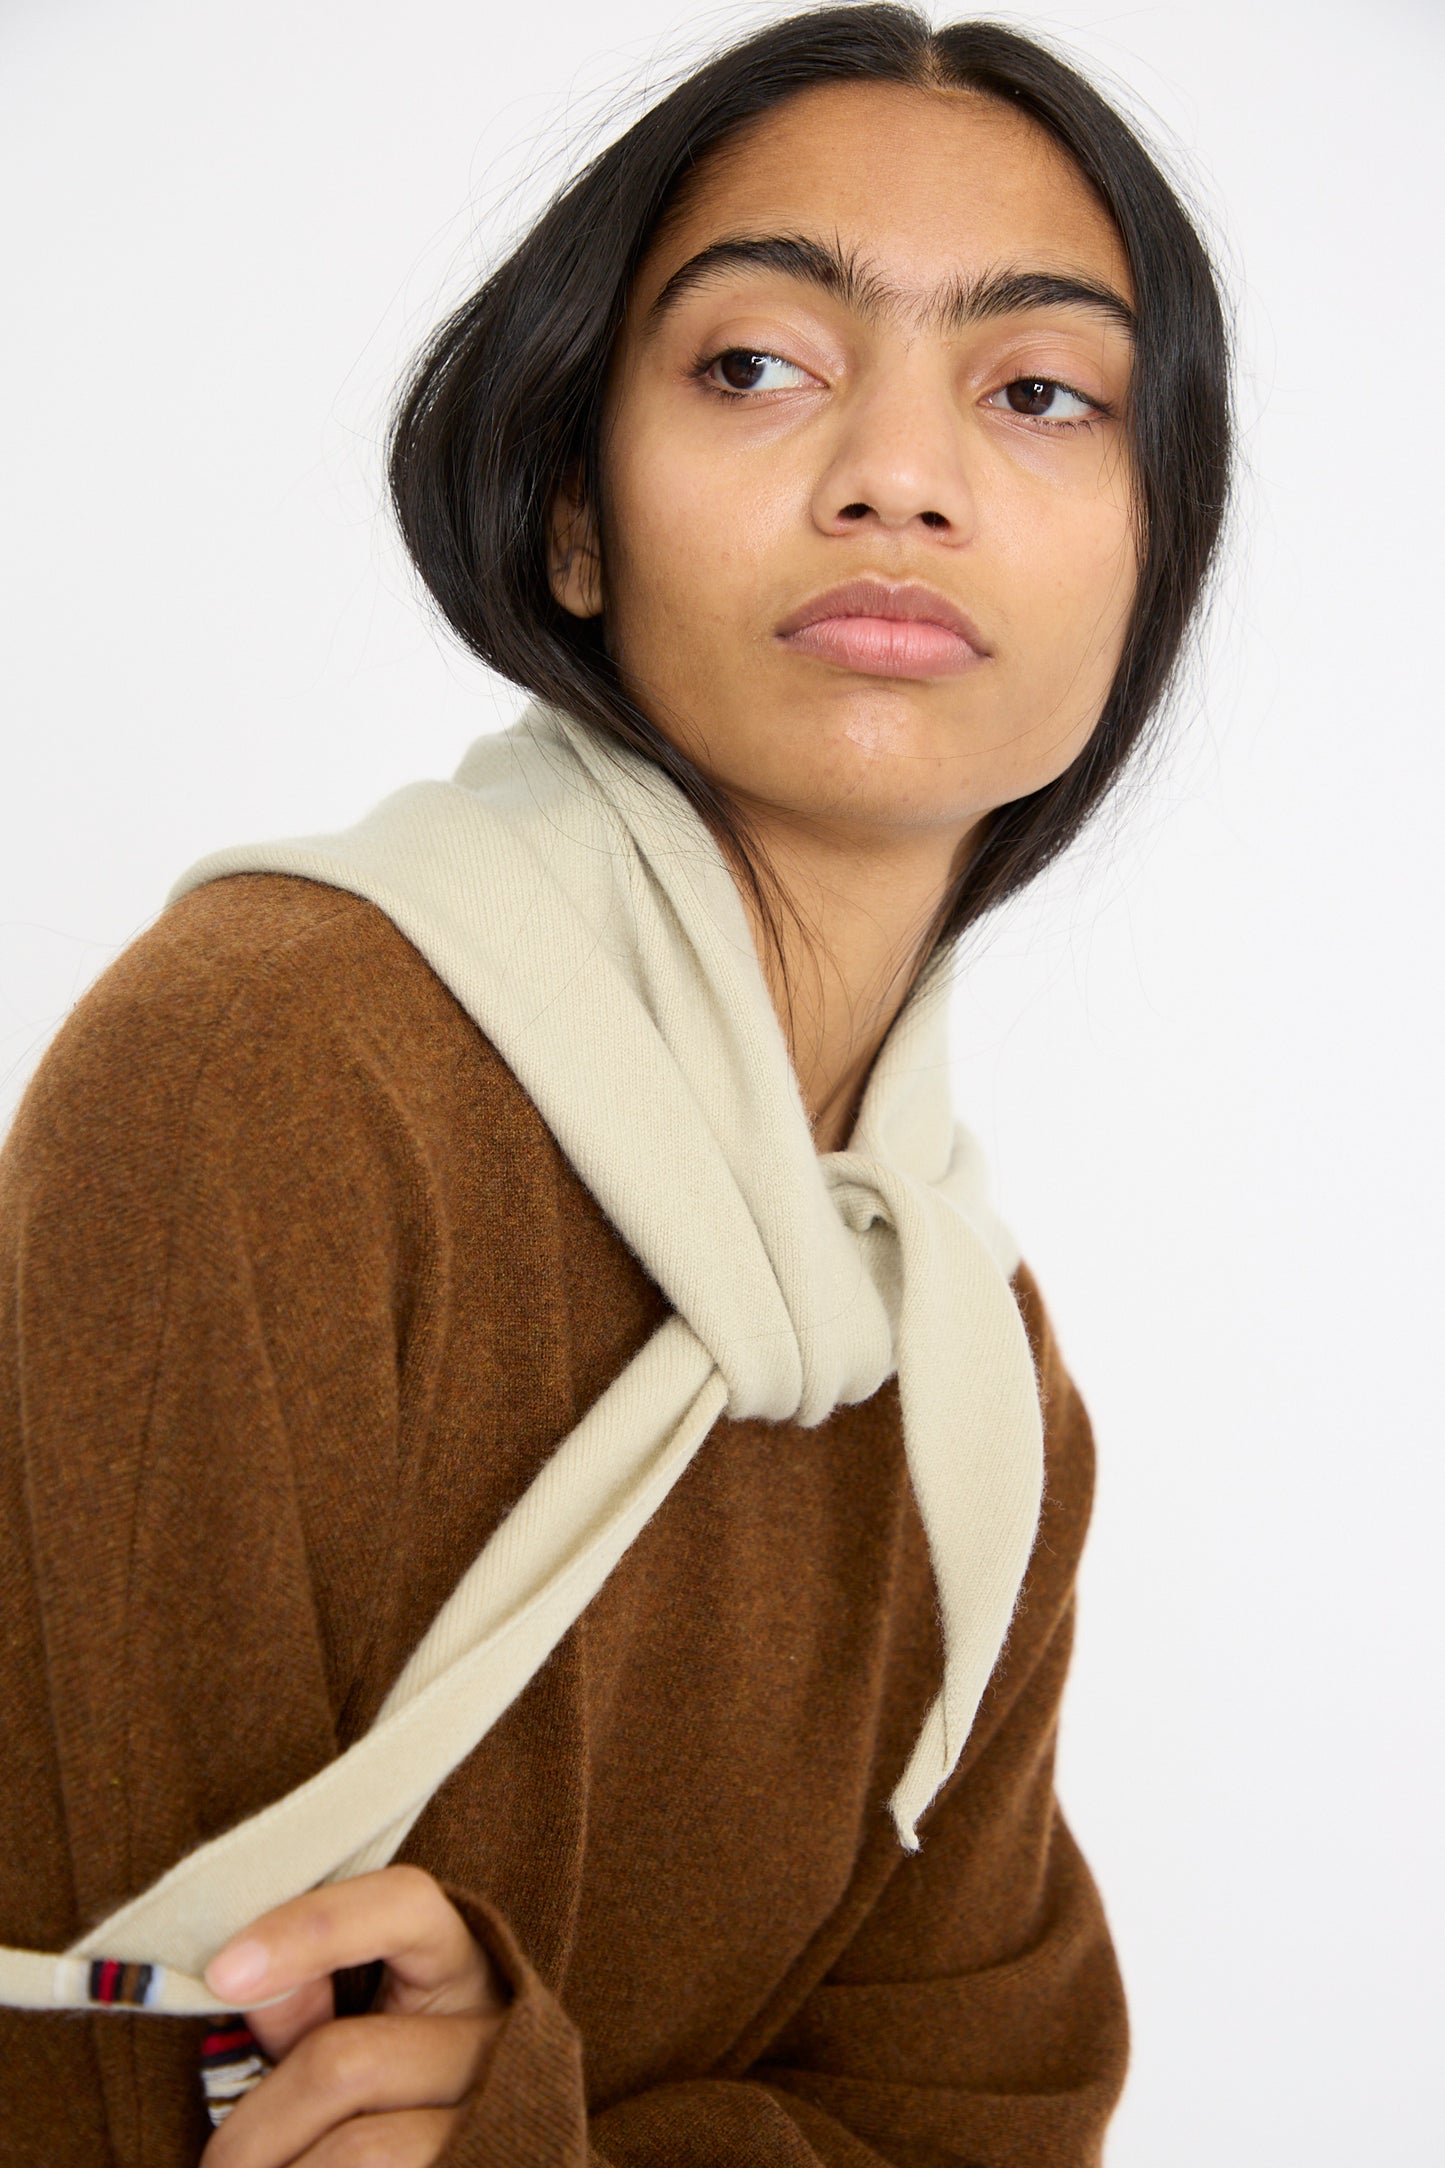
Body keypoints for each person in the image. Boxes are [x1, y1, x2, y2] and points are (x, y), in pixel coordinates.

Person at [0, 6, 1232, 2163]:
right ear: (573, 513)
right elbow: (105, 2039)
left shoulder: (964, 1378)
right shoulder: (279, 1076)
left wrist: (535, 2121)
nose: (898, 473)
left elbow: (984, 2112)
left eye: (1039, 391)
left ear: (1145, 575)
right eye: (757, 364)